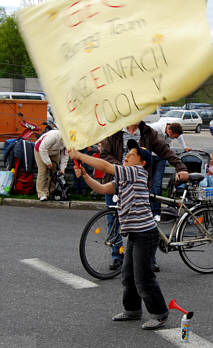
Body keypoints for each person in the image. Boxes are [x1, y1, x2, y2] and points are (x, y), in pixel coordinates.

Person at [69, 139, 172, 330]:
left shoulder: (138, 173)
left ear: (142, 163)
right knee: (128, 274)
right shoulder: (124, 179)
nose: (127, 156)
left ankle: (160, 314)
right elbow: (101, 188)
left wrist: (80, 155)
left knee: (143, 276)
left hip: (146, 234)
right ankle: (132, 310)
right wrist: (84, 175)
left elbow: (107, 166)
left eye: (132, 155)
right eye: (127, 154)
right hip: (134, 233)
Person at [101, 120, 189, 272]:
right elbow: (104, 154)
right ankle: (117, 257)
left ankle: (149, 258)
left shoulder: (148, 132)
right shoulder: (113, 130)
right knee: (113, 221)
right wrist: (121, 168)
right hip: (115, 180)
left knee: (146, 223)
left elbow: (165, 150)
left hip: (139, 185)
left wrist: (180, 167)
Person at [149, 120, 191, 221]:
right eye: (174, 137)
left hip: (161, 157)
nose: (175, 139)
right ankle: (147, 211)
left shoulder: (174, 129)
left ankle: (156, 212)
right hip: (150, 156)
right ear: (169, 131)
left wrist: (184, 147)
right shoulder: (155, 128)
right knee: (147, 183)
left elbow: (180, 137)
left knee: (157, 184)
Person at [34, 129, 68, 201]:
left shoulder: (68, 142)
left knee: (54, 172)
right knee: (43, 171)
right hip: (40, 150)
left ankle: (51, 191)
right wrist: (48, 162)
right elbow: (42, 149)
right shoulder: (54, 136)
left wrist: (62, 168)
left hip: (54, 152)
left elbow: (65, 155)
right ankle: (41, 193)